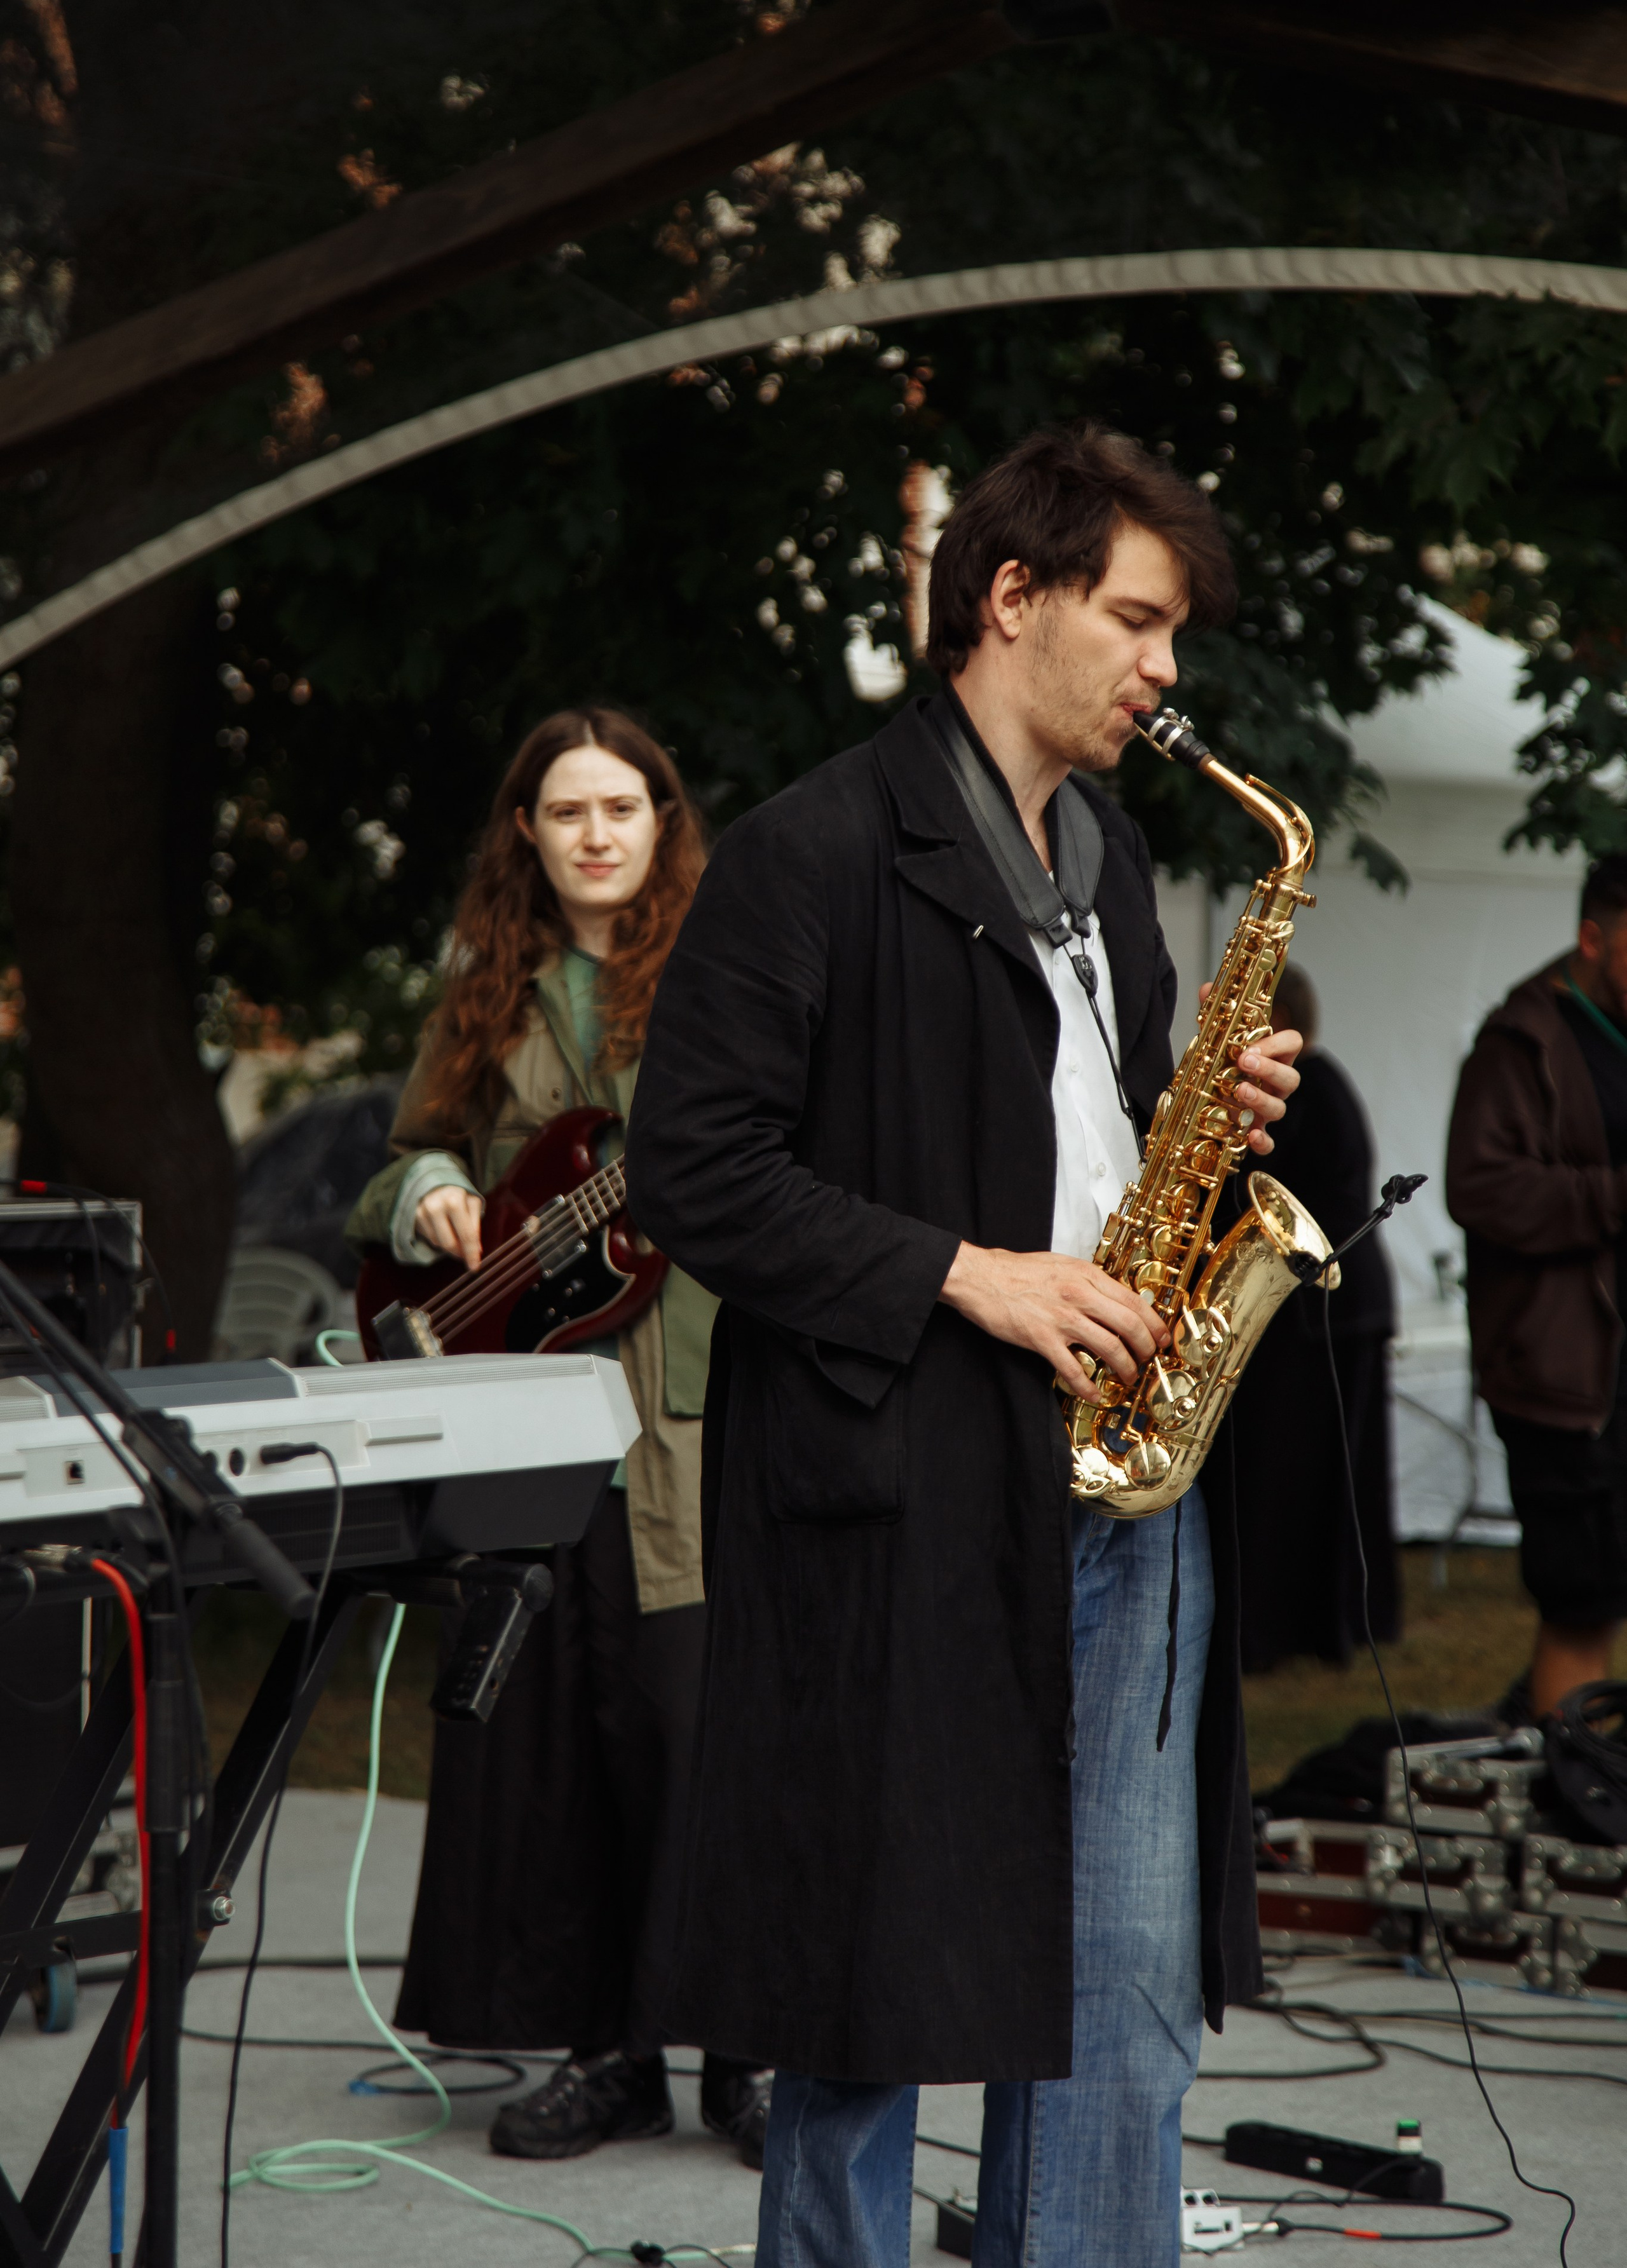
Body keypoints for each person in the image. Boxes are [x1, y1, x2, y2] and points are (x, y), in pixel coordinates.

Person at [625, 424, 1304, 2267]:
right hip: (910, 1491)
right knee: (871, 1993)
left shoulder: (1110, 848)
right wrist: (968, 1275)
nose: (1171, 670)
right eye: (1143, 621)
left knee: (1121, 1996)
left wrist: (1205, 1110)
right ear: (1013, 598)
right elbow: (689, 1169)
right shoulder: (813, 850)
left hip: (1115, 1481)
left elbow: (1088, 1132)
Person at [345, 707, 770, 2166]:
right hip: (532, 1414)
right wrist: (426, 1205)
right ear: (525, 833)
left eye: (621, 806)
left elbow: (798, 1147)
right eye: (564, 809)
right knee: (560, 1736)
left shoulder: (733, 972)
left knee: (696, 1726)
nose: (595, 831)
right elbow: (400, 1160)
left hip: (690, 1407)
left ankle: (745, 2055)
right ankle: (609, 2053)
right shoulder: (490, 992)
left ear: (663, 821)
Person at [1447, 855, 1627, 1721]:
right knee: (1580, 1608)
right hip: (1562, 1382)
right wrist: (1612, 1196)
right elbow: (1479, 1188)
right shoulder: (1520, 1041)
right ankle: (1573, 1815)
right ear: (1593, 938)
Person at [1225, 961, 1399, 1671]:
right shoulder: (1327, 1083)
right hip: (1337, 1309)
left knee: (1293, 1481)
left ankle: (1287, 1629)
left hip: (1314, 1315)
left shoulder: (1303, 1094)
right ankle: (1333, 1623)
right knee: (1332, 1479)